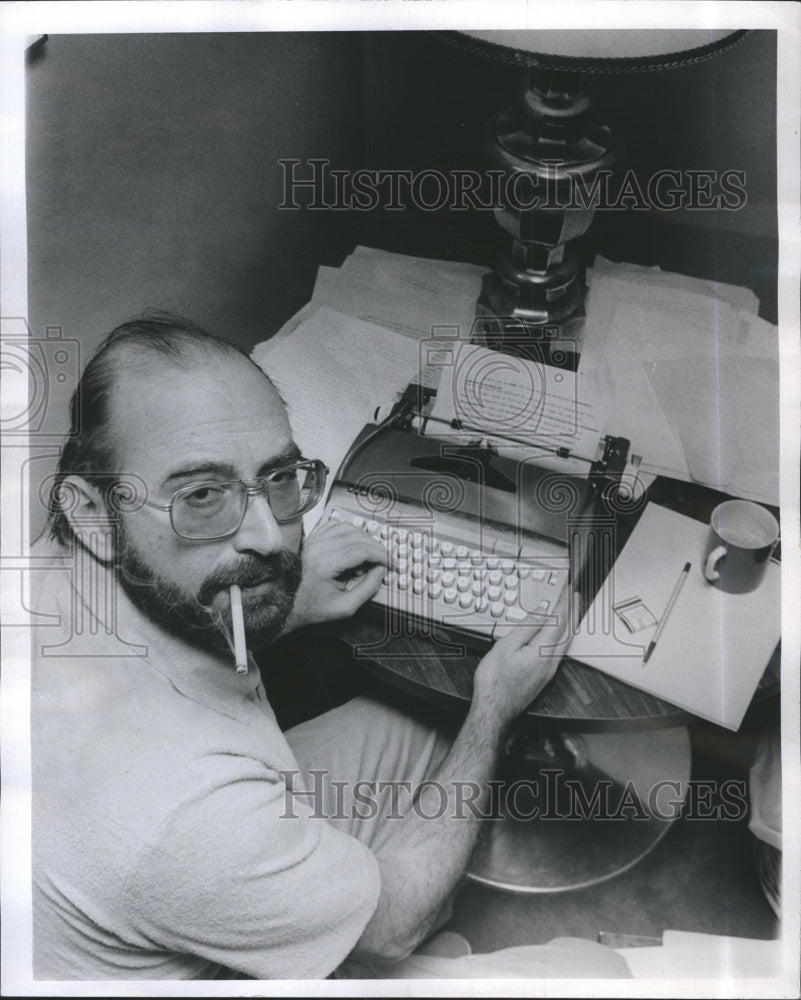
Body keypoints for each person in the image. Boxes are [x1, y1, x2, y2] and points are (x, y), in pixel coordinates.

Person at [30, 313, 631, 980]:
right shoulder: (181, 813)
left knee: (416, 725)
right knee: (593, 970)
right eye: (201, 494)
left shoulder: (54, 577)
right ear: (91, 514)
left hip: (175, 864)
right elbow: (390, 931)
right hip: (210, 904)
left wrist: (281, 607)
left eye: (279, 476)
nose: (271, 538)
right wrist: (492, 708)